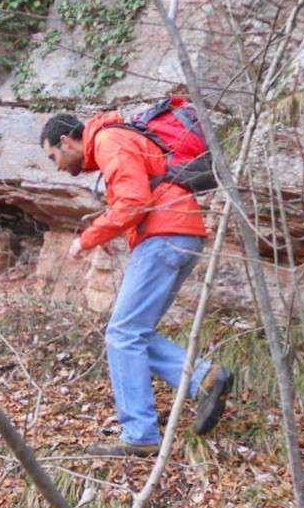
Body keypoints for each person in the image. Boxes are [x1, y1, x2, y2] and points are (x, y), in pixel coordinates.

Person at [40, 110, 233, 458]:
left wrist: (87, 239)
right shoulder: (116, 139)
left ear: (66, 141)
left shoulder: (108, 140)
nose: (56, 165)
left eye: (53, 156)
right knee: (134, 332)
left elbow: (134, 200)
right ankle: (204, 378)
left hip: (164, 236)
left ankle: (139, 433)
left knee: (122, 334)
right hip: (182, 233)